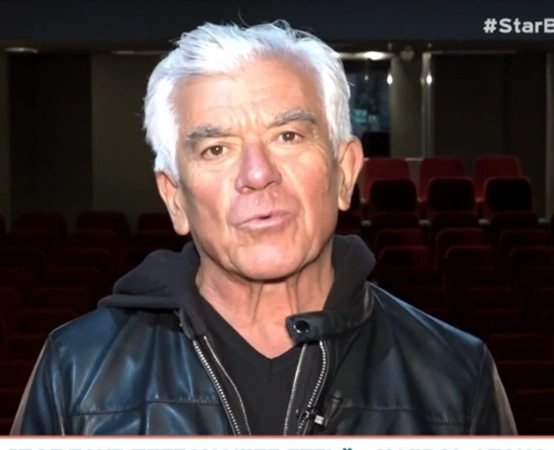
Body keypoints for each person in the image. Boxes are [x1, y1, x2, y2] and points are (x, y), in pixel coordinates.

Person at [11, 21, 516, 436]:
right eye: (216, 149)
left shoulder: (457, 374)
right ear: (175, 199)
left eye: (288, 136)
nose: (257, 174)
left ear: (345, 173)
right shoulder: (75, 371)